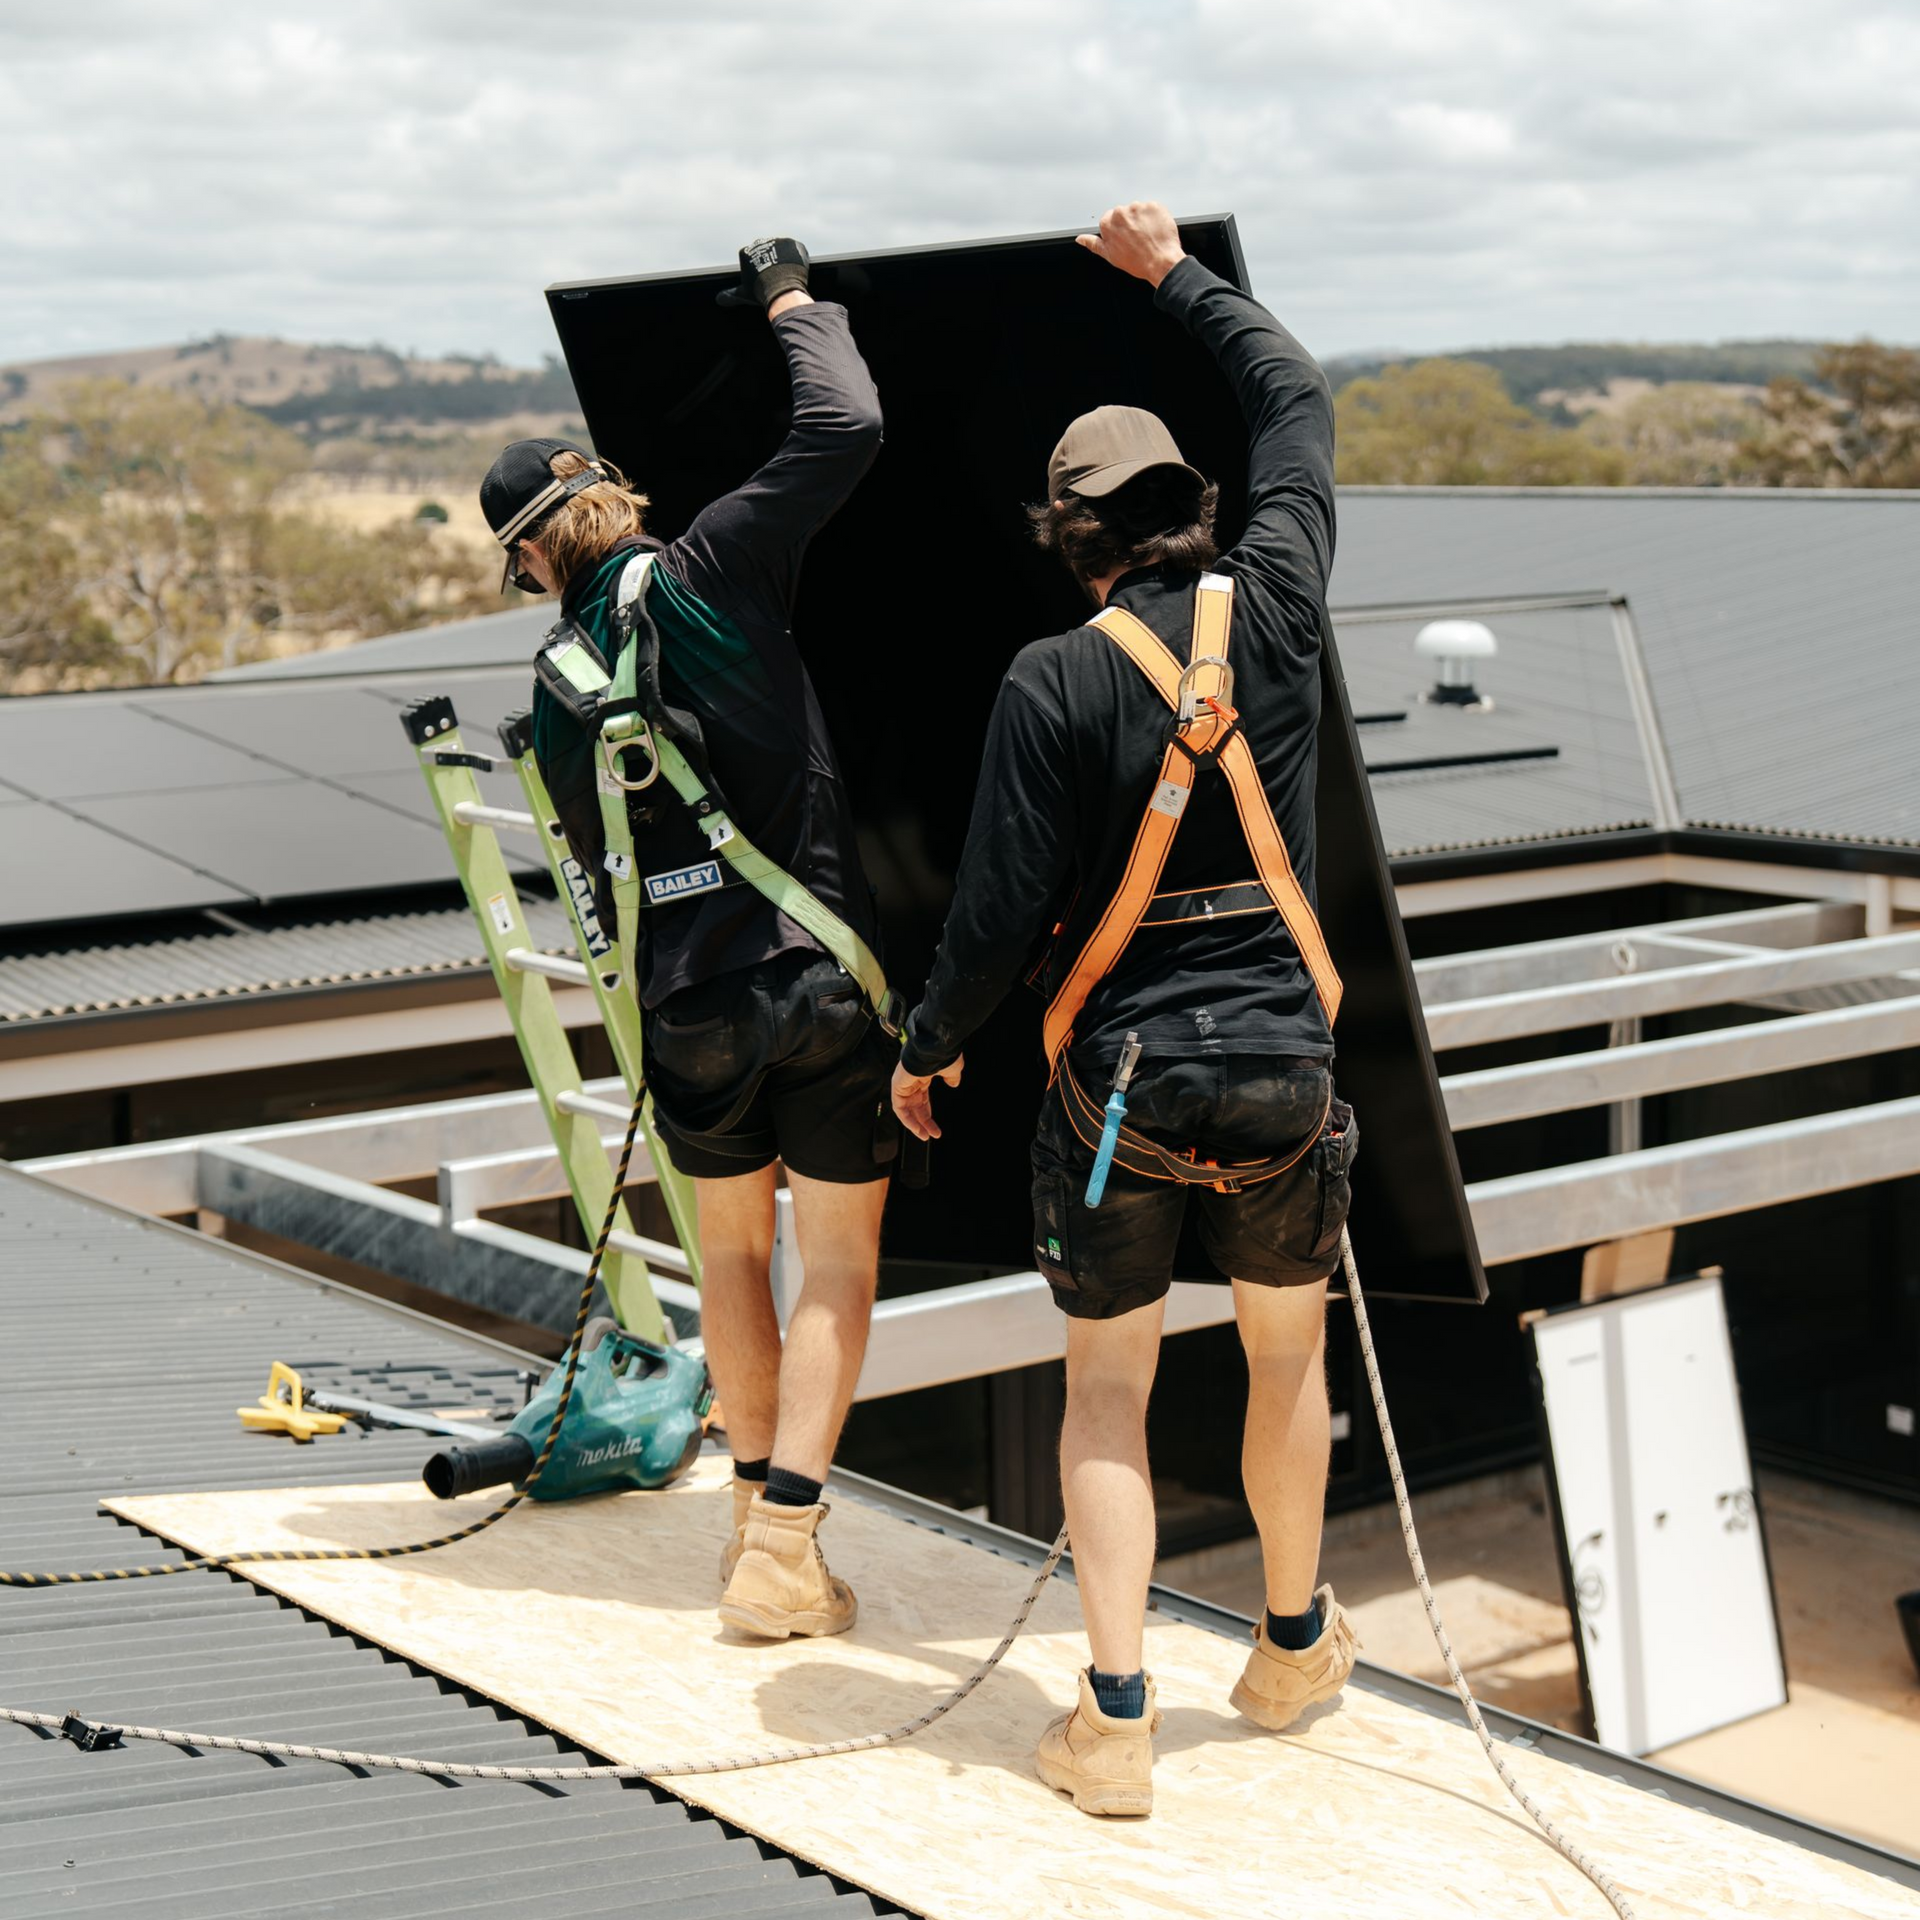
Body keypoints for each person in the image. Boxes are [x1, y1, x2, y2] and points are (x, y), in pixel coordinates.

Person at [891, 201, 1359, 1816]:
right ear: (1202, 509)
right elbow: (1295, 394)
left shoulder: (1052, 677)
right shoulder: (1281, 598)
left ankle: (1113, 1726)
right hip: (1288, 1071)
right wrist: (1172, 276)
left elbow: (998, 911)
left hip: (1125, 1094)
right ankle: (1291, 1651)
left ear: (1074, 537)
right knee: (1286, 1365)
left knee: (1109, 1394)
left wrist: (926, 1049)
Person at [480, 236, 890, 1641]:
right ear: (613, 500)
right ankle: (788, 1553)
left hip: (688, 1008)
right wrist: (787, 298)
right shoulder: (714, 563)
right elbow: (848, 421)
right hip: (815, 977)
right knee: (832, 1265)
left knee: (727, 1261)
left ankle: (746, 1535)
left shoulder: (555, 685)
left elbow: (595, 885)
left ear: (531, 556)